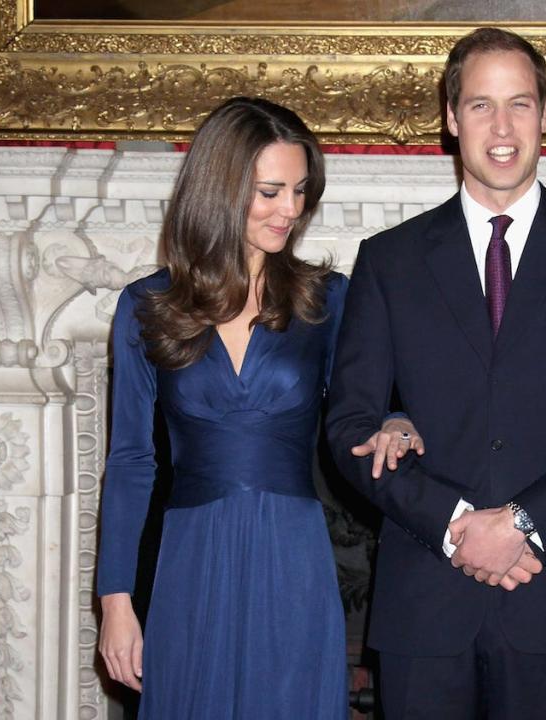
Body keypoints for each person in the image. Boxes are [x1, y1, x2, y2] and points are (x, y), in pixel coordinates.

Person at [326, 27, 546, 719]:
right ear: (452, 120)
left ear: (545, 114)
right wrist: (455, 524)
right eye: (481, 105)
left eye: (520, 104)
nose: (502, 127)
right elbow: (350, 426)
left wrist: (521, 523)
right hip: (425, 596)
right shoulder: (389, 260)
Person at [95, 96, 422, 719]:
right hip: (189, 556)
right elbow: (132, 461)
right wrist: (115, 602)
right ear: (220, 188)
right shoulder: (146, 306)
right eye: (271, 192)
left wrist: (397, 421)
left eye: (300, 191)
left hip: (293, 556)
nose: (291, 210)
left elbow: (373, 402)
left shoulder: (325, 300)